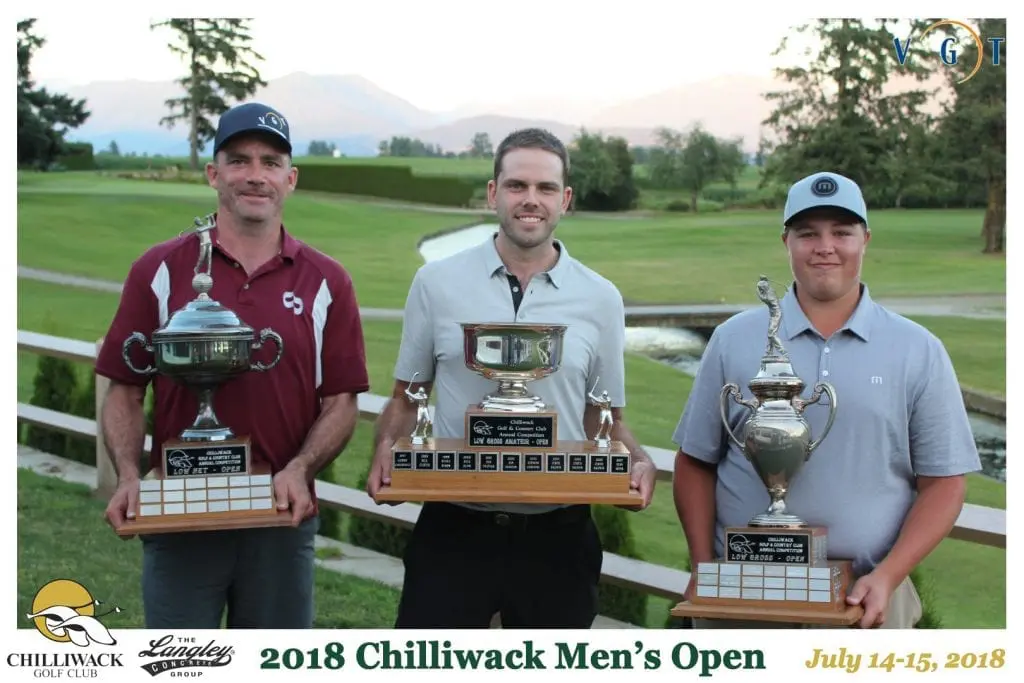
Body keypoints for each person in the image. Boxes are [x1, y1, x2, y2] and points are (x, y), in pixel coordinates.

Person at [367, 128, 657, 629]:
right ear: (493, 192)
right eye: (517, 185)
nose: (531, 200)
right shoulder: (436, 282)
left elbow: (602, 415)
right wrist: (385, 451)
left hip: (558, 536)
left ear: (564, 199)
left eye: (546, 189)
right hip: (455, 527)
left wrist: (639, 460)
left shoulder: (601, 297)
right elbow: (408, 396)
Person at [96, 101, 370, 629]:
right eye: (239, 160)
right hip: (179, 515)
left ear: (290, 179)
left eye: (270, 163)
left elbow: (341, 402)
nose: (255, 175)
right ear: (212, 173)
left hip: (279, 518)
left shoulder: (327, 280)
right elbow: (125, 388)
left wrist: (300, 470)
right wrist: (129, 476)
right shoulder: (159, 268)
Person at [671, 171, 982, 630]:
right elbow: (695, 462)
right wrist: (702, 568)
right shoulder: (733, 340)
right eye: (807, 233)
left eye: (842, 232)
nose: (825, 247)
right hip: (743, 598)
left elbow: (945, 483)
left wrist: (890, 576)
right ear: (786, 242)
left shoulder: (918, 349)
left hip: (866, 600)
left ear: (865, 239)